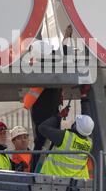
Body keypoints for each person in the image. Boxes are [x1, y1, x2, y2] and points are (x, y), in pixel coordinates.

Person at [27, 26, 73, 172]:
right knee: (42, 142)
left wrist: (66, 38)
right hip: (46, 112)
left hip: (50, 111)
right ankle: (36, 172)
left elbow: (61, 53)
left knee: (46, 143)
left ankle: (41, 171)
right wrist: (66, 38)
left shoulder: (44, 61)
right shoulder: (40, 68)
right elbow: (61, 53)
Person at [38, 85, 94, 179]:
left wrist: (59, 116)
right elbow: (87, 122)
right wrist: (84, 96)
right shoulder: (88, 142)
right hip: (74, 185)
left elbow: (42, 128)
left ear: (76, 126)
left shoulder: (65, 137)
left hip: (53, 181)